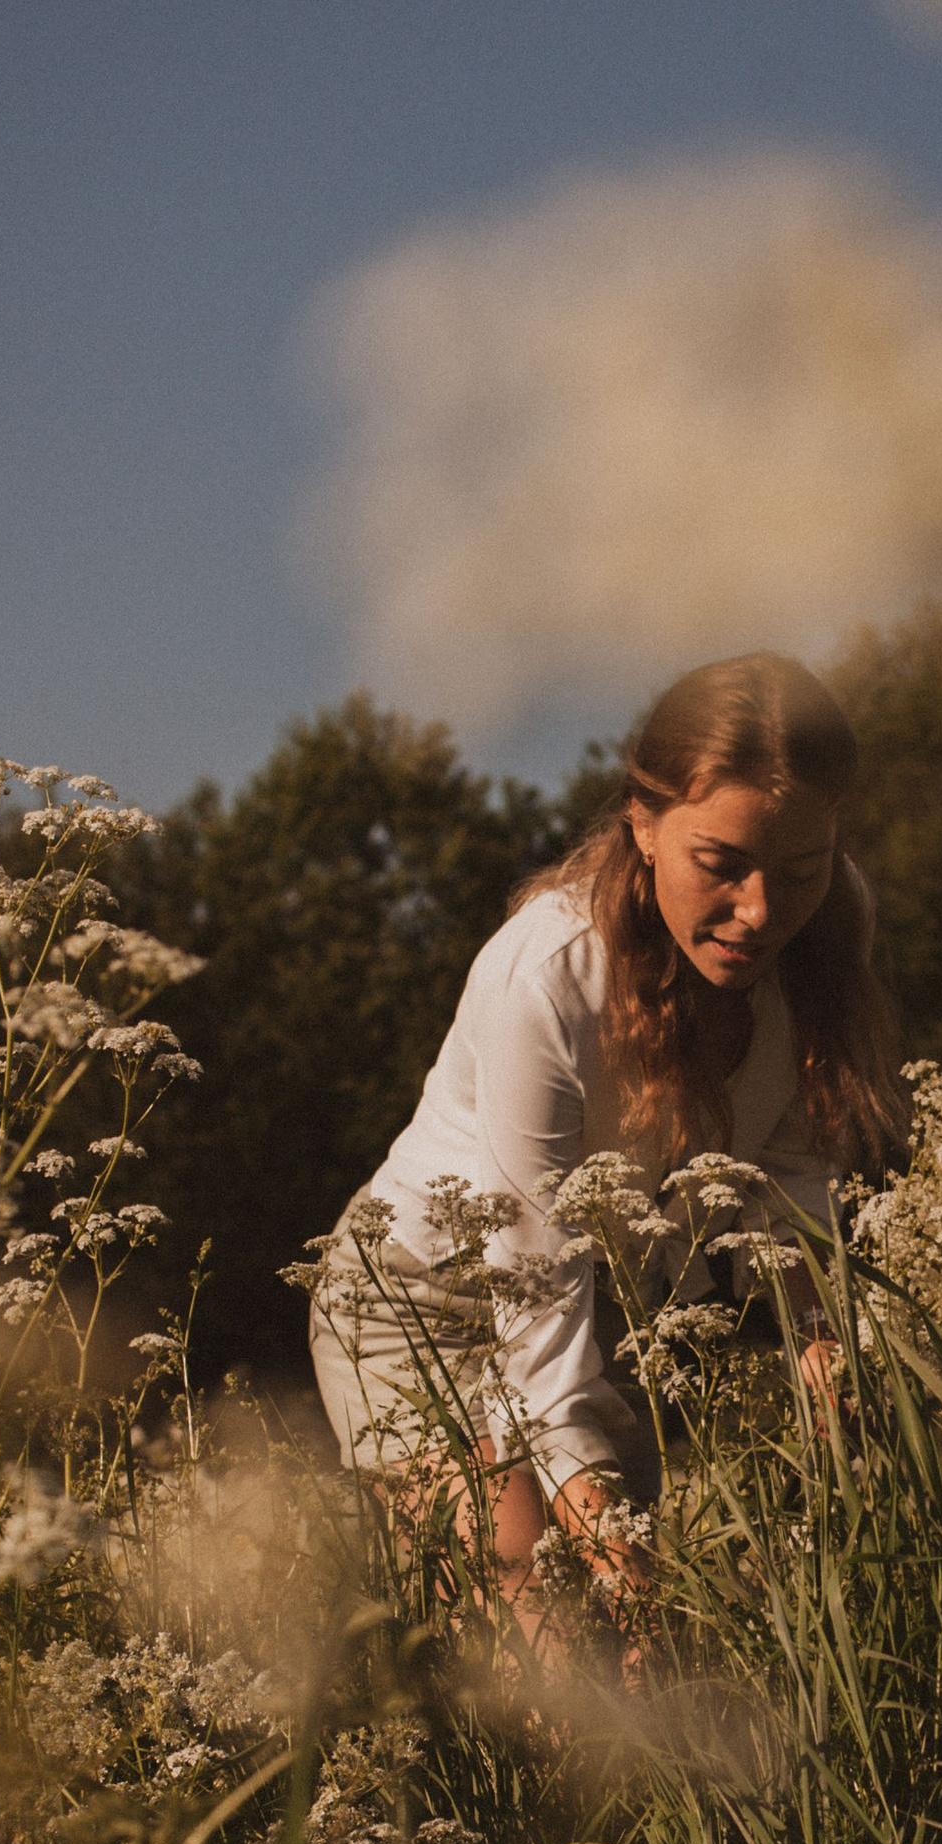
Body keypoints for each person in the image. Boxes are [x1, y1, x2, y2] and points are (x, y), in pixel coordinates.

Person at [308, 653, 900, 1609]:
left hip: (614, 1305)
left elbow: (787, 1166)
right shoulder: (545, 978)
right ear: (644, 823)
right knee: (545, 1618)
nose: (760, 913)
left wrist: (819, 1336)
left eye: (801, 870)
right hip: (426, 1301)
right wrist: (608, 1544)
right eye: (722, 865)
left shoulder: (829, 927)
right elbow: (535, 1304)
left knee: (642, 1640)